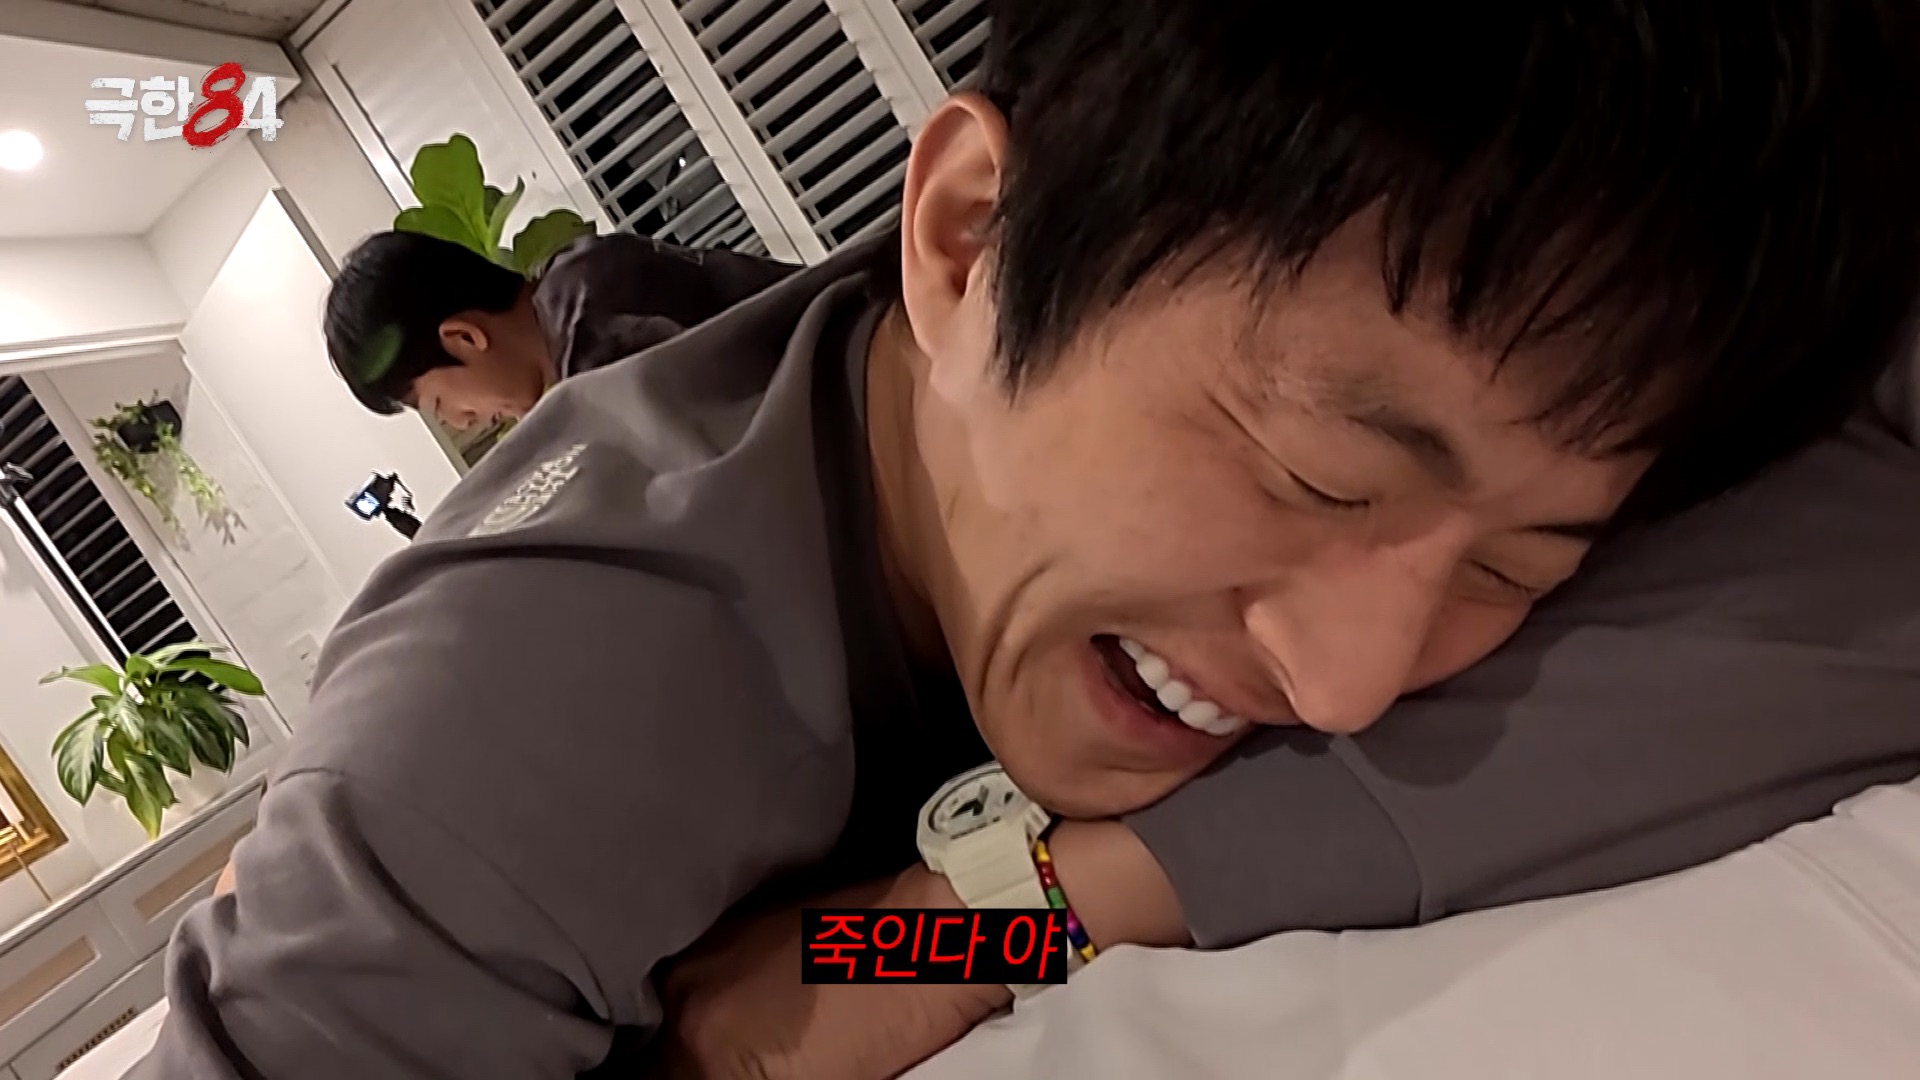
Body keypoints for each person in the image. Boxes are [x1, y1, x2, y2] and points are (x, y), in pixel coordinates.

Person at [135, 3, 1920, 1078]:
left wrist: (977, 919)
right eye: (1322, 477)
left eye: (1520, 569)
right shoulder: (519, 746)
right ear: (972, 235)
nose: (1357, 682)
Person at [323, 230, 795, 429]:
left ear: (465, 337)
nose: (464, 422)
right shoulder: (582, 272)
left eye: (439, 405)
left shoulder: (601, 354)